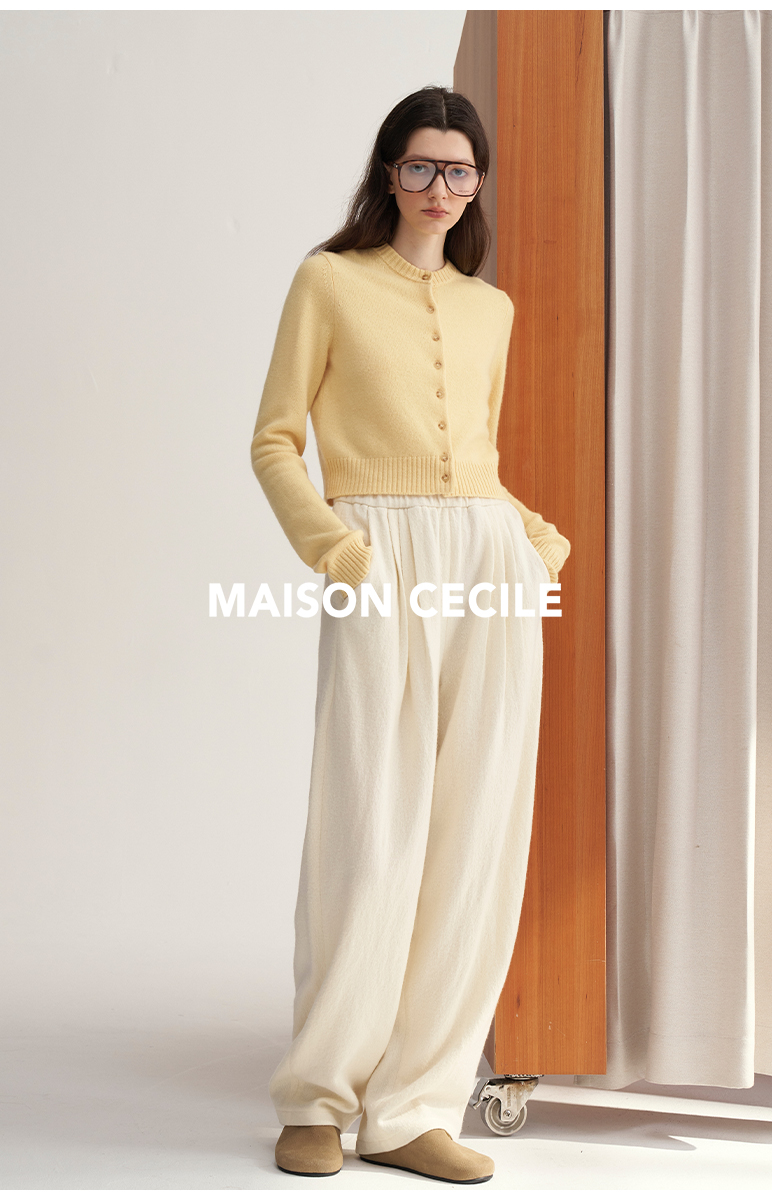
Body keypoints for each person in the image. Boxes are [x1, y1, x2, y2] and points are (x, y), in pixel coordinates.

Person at [250, 84, 570, 1185]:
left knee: (475, 837)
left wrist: (533, 540)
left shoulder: (493, 310)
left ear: (477, 184)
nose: (442, 187)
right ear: (389, 172)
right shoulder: (328, 281)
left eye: (460, 170)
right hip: (376, 557)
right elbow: (275, 441)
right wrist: (339, 553)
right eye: (423, 166)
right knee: (369, 824)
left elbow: (470, 461)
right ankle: (317, 1097)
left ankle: (413, 1107)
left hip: (488, 567)